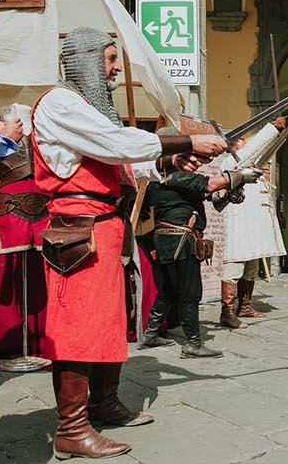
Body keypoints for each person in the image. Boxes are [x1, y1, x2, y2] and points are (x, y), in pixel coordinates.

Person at [32, 26, 228, 459]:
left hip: (104, 226)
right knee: (77, 328)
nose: (117, 69)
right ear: (83, 58)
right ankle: (71, 428)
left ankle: (102, 403)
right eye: (109, 58)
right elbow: (114, 143)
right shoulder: (60, 102)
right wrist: (186, 139)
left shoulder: (87, 109)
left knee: (107, 320)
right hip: (77, 230)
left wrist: (170, 158)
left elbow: (123, 161)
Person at [138, 143, 249, 359]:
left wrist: (229, 194)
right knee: (190, 292)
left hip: (169, 240)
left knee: (168, 290)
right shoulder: (170, 177)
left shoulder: (166, 180)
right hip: (180, 240)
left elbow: (208, 196)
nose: (192, 162)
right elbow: (208, 185)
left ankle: (150, 334)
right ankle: (192, 343)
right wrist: (239, 176)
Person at [219, 120, 287, 325]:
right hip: (240, 230)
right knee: (234, 269)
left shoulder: (254, 174)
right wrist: (271, 129)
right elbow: (250, 153)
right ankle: (227, 312)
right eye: (245, 149)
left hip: (254, 231)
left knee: (251, 269)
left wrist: (278, 136)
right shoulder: (230, 166)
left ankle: (245, 306)